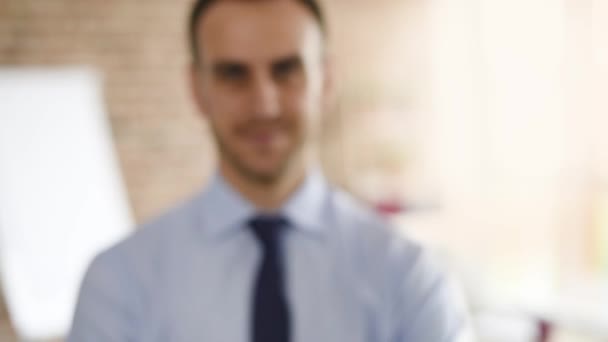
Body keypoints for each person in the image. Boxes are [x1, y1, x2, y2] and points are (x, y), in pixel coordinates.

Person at [68, 0, 473, 341]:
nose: (264, 105)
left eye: (286, 70)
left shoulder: (409, 279)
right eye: (233, 74)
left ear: (326, 79)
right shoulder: (119, 283)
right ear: (197, 88)